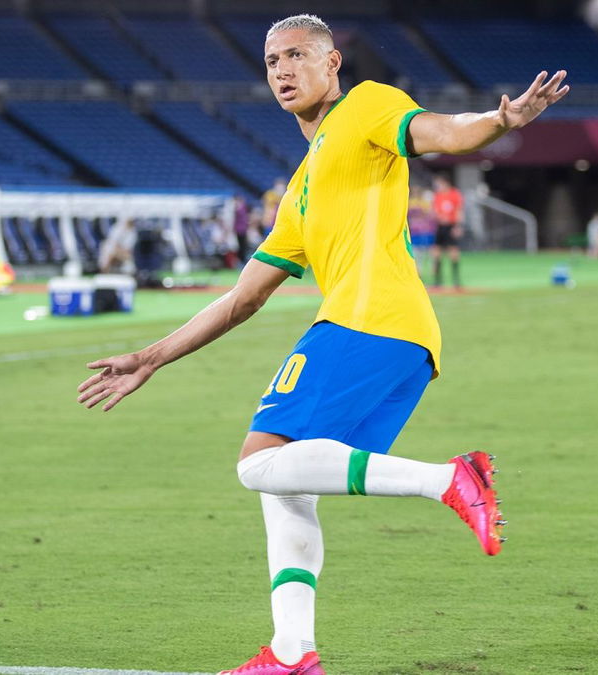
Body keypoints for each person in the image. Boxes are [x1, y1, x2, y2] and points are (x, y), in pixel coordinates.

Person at [76, 14, 568, 675]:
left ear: (332, 64)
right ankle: (290, 653)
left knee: (257, 462)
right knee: (286, 485)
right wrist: (150, 356)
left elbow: (445, 133)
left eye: (297, 55)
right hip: (404, 342)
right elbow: (242, 298)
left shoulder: (366, 106)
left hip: (371, 322)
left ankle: (450, 477)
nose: (282, 68)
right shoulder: (300, 188)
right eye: (272, 59)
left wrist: (502, 122)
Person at [430, 174, 464, 288]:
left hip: (451, 225)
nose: (437, 185)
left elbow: (459, 210)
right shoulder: (437, 195)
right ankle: (438, 280)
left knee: (453, 252)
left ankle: (456, 280)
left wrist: (458, 226)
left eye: (439, 183)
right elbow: (434, 210)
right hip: (440, 226)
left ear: (446, 182)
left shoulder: (454, 194)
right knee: (436, 252)